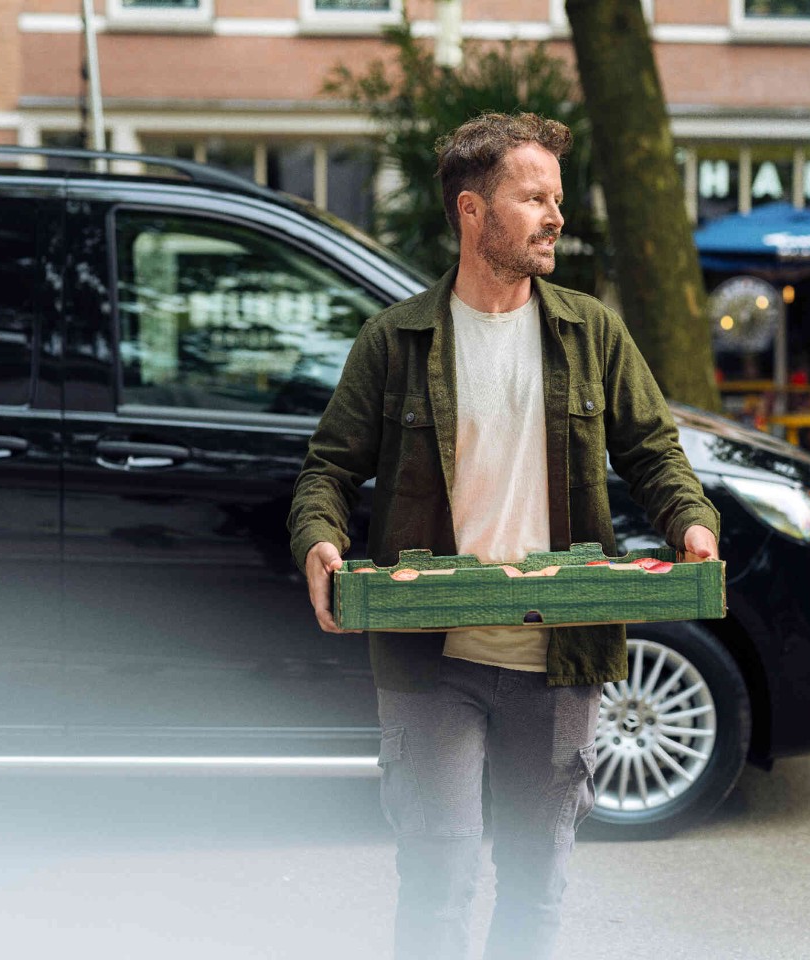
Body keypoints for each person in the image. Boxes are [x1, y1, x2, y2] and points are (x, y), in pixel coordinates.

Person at [287, 112, 720, 960]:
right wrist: (320, 541)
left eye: (557, 198)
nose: (557, 217)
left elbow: (654, 450)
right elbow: (326, 471)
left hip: (558, 664)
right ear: (473, 213)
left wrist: (692, 522)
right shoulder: (397, 342)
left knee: (535, 887)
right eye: (533, 198)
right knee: (437, 884)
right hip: (429, 662)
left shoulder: (591, 332)